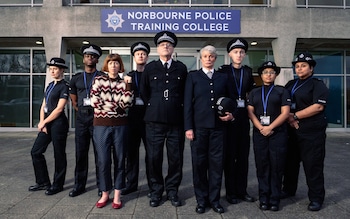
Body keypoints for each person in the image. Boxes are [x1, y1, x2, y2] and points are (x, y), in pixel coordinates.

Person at [184, 45, 236, 214]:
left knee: (216, 165)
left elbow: (232, 100)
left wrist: (231, 114)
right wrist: (188, 127)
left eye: (211, 56)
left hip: (219, 128)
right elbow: (187, 104)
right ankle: (201, 200)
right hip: (199, 129)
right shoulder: (193, 77)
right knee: (199, 165)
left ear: (215, 58)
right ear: (201, 58)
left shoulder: (223, 77)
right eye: (205, 56)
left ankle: (214, 200)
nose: (208, 59)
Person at [140, 31, 187, 208]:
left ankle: (173, 190)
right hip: (154, 121)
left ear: (173, 48)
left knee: (176, 158)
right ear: (157, 48)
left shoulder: (181, 68)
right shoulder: (150, 68)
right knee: (154, 158)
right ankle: (156, 191)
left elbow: (184, 93)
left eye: (168, 44)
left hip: (176, 121)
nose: (165, 46)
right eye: (162, 44)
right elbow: (145, 92)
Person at [281, 52, 328, 211]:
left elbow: (318, 106)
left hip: (311, 133)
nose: (299, 68)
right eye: (297, 66)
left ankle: (316, 198)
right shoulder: (290, 84)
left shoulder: (317, 84)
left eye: (303, 66)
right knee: (290, 163)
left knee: (312, 165)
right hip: (291, 131)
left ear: (311, 68)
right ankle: (288, 189)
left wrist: (294, 116)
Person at [90, 53, 133, 209]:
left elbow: (126, 104)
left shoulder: (125, 82)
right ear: (106, 66)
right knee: (103, 160)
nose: (113, 66)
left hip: (121, 126)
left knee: (120, 160)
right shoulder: (98, 80)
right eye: (111, 63)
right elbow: (95, 102)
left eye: (116, 63)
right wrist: (117, 105)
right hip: (101, 125)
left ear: (120, 65)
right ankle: (105, 193)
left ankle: (117, 194)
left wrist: (127, 87)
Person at [247, 61, 291, 211]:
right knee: (262, 166)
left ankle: (275, 199)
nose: (268, 75)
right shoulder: (254, 92)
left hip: (277, 133)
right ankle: (264, 197)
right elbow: (250, 111)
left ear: (276, 75)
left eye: (272, 72)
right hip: (260, 134)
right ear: (261, 75)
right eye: (265, 72)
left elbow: (285, 113)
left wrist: (270, 127)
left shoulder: (282, 91)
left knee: (277, 166)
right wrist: (260, 127)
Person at [217, 38, 256, 204]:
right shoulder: (223, 71)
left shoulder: (248, 72)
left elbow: (251, 94)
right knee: (230, 156)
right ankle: (231, 192)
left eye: (241, 52)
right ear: (229, 54)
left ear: (245, 54)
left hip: (243, 119)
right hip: (229, 118)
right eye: (235, 52)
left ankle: (242, 190)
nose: (239, 54)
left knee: (243, 157)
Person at [29, 57, 69, 195]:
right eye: (51, 69)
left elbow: (59, 109)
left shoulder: (64, 86)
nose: (52, 71)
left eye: (55, 69)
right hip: (46, 123)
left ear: (62, 70)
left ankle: (58, 184)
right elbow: (43, 105)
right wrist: (42, 122)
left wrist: (45, 122)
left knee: (59, 154)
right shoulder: (50, 85)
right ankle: (43, 182)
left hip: (58, 124)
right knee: (36, 151)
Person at [69, 44, 104, 197]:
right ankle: (79, 185)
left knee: (100, 154)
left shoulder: (103, 77)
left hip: (98, 118)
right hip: (82, 118)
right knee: (81, 153)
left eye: (93, 56)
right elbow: (74, 100)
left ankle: (102, 185)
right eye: (87, 56)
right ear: (83, 59)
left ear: (97, 59)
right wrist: (81, 110)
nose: (90, 58)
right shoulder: (76, 78)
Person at [122, 42, 151, 196]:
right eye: (138, 53)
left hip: (148, 118)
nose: (141, 55)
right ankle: (131, 183)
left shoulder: (151, 74)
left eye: (143, 53)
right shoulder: (129, 76)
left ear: (147, 56)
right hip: (132, 118)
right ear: (134, 56)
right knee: (131, 153)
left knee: (151, 153)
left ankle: (152, 184)